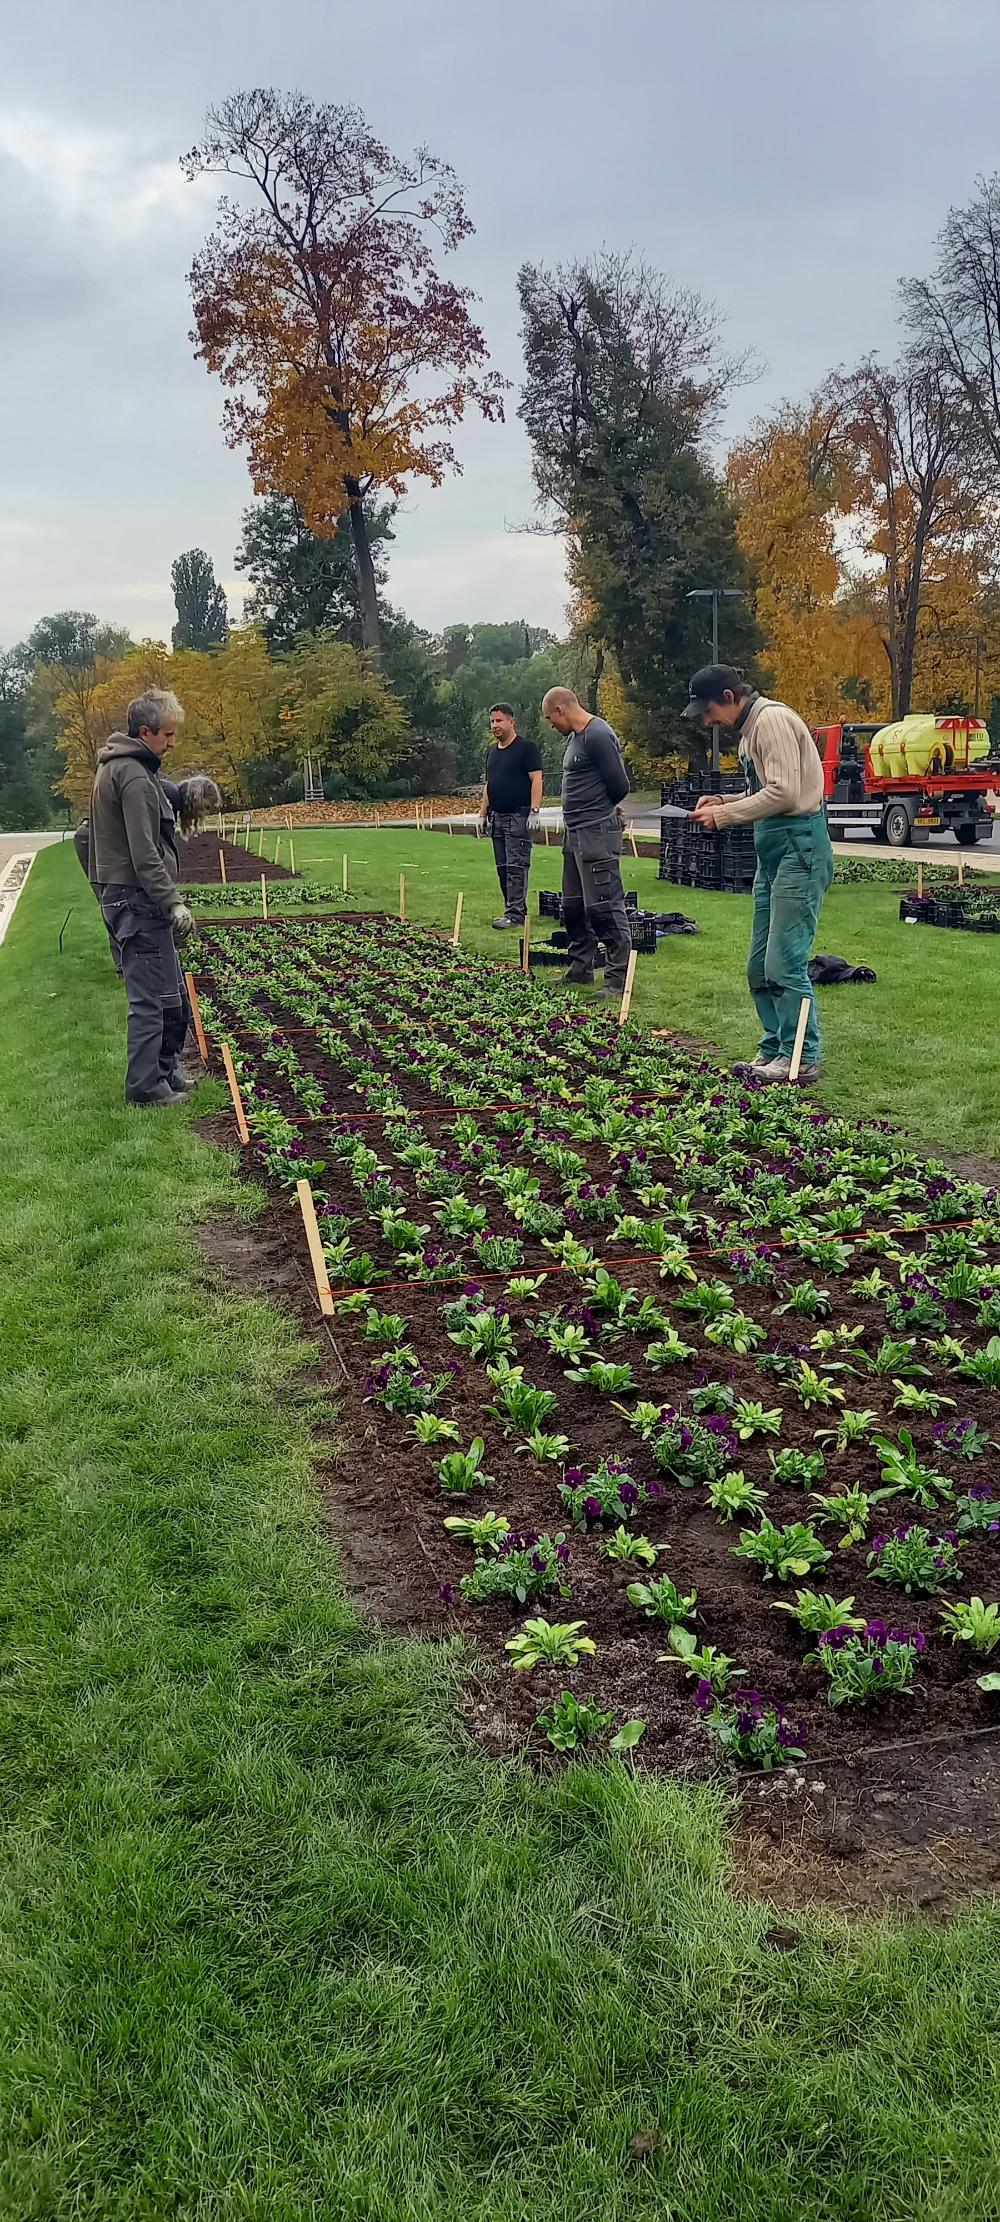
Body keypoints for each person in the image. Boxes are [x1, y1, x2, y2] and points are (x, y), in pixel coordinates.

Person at [684, 664, 834, 1083]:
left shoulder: (770, 722)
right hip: (773, 852)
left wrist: (725, 815)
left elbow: (785, 794)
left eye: (709, 710)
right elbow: (768, 789)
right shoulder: (752, 730)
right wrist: (723, 798)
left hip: (799, 847)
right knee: (758, 965)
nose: (707, 719)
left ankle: (801, 1056)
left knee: (785, 962)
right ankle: (775, 1049)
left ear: (730, 697)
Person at [88, 688, 197, 1106]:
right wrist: (173, 902)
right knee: (151, 999)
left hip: (133, 897)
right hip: (136, 900)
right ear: (146, 732)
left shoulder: (131, 766)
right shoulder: (131, 774)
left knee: (169, 993)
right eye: (168, 735)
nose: (172, 743)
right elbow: (143, 852)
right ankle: (145, 1088)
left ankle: (165, 1073)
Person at [541, 687, 632, 999]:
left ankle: (617, 981)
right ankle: (581, 969)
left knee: (604, 907)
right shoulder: (575, 738)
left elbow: (620, 785)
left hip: (596, 833)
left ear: (560, 710)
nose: (551, 725)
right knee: (573, 907)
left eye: (550, 718)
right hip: (575, 833)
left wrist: (603, 812)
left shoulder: (598, 734)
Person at [477, 703, 544, 928]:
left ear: (511, 722)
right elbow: (490, 784)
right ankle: (511, 910)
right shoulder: (493, 753)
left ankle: (516, 915)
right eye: (492, 721)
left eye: (499, 721)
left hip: (518, 816)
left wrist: (535, 811)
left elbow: (537, 779)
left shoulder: (526, 749)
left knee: (516, 866)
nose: (495, 725)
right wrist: (482, 813)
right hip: (497, 817)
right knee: (503, 868)